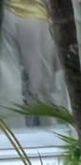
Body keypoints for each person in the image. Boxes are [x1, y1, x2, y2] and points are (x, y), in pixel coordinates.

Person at [0, 0, 68, 128]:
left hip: (38, 17)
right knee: (10, 87)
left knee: (41, 88)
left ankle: (51, 133)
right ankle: (14, 136)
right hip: (9, 14)